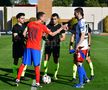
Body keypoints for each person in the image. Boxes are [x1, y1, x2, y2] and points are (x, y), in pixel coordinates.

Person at [15, 12, 68, 87]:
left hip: (28, 46)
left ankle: (17, 79)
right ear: (41, 17)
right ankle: (37, 83)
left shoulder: (30, 24)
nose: (45, 18)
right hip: (35, 48)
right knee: (37, 65)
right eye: (44, 17)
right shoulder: (42, 26)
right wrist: (61, 28)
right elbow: (52, 34)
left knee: (23, 63)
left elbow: (24, 34)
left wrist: (30, 37)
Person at [69, 7, 90, 88]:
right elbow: (79, 33)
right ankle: (85, 78)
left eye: (75, 13)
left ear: (78, 13)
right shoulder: (82, 22)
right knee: (79, 63)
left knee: (79, 64)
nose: (74, 14)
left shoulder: (81, 22)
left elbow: (83, 35)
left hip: (81, 46)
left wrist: (77, 45)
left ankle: (81, 83)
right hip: (82, 46)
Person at [43, 13, 66, 80]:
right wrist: (46, 39)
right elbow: (43, 35)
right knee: (46, 58)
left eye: (55, 19)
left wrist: (57, 41)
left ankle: (55, 75)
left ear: (58, 19)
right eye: (52, 19)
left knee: (56, 60)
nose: (53, 20)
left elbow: (63, 37)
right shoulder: (48, 26)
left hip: (56, 45)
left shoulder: (60, 27)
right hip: (48, 45)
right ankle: (45, 74)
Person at [12, 13, 28, 80]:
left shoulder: (25, 26)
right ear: (18, 19)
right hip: (16, 46)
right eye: (22, 18)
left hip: (23, 46)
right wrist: (23, 35)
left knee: (24, 60)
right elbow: (15, 37)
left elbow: (26, 35)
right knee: (16, 60)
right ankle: (14, 75)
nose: (23, 19)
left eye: (24, 18)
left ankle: (22, 75)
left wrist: (27, 36)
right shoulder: (15, 27)